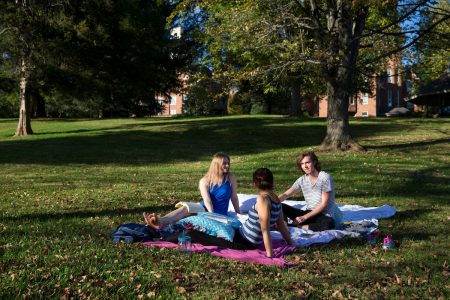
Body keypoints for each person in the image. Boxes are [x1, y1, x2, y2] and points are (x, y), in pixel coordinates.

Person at [183, 168, 293, 258]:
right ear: (272, 182)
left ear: (255, 183)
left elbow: (265, 229)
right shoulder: (276, 199)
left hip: (243, 241)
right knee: (219, 224)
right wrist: (291, 243)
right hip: (241, 233)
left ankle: (184, 234)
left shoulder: (263, 200)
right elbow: (281, 225)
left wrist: (270, 255)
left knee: (199, 234)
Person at [143, 152, 240, 229]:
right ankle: (159, 221)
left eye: (228, 163)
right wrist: (212, 215)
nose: (227, 166)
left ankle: (161, 223)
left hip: (220, 212)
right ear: (216, 165)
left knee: (188, 217)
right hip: (206, 208)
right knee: (185, 209)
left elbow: (234, 197)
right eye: (224, 163)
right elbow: (207, 200)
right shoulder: (205, 181)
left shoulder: (230, 177)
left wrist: (238, 214)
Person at [278, 151, 343, 231]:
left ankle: (297, 227)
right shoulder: (302, 180)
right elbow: (286, 194)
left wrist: (304, 218)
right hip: (308, 213)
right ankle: (284, 225)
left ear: (314, 162)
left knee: (328, 224)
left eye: (307, 162)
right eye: (302, 164)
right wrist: (271, 202)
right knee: (278, 206)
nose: (305, 166)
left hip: (323, 215)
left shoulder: (325, 177)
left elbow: (324, 205)